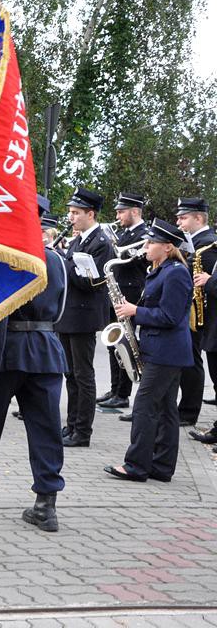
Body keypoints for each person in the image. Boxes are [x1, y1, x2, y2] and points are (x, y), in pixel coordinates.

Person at [0, 195, 68, 531]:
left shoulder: (3, 257)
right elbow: (60, 309)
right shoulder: (56, 259)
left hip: (8, 352)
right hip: (47, 349)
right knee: (47, 428)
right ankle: (46, 503)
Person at [105, 219, 192, 481]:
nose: (146, 246)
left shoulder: (175, 272)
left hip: (166, 352)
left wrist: (136, 311)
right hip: (163, 349)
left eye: (151, 242)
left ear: (167, 247)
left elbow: (171, 316)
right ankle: (162, 467)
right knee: (165, 409)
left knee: (144, 406)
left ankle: (136, 466)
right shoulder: (161, 269)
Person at [55, 187, 114, 447]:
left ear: (90, 214)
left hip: (83, 317)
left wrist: (61, 262)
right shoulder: (79, 241)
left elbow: (92, 282)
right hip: (69, 315)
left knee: (83, 375)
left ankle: (83, 431)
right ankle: (71, 425)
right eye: (70, 212)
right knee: (70, 374)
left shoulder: (101, 243)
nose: (71, 218)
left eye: (76, 213)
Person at [97, 193, 149, 412]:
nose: (117, 215)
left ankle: (123, 393)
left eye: (121, 211)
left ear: (134, 211)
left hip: (130, 293)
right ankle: (115, 387)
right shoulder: (125, 232)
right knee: (114, 344)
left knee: (126, 342)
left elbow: (138, 264)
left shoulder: (144, 234)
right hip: (116, 292)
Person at [172, 197, 216, 427]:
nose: (179, 222)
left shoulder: (208, 244)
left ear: (199, 218)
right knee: (188, 360)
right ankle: (185, 409)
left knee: (192, 362)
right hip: (191, 310)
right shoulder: (192, 242)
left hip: (202, 314)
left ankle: (189, 412)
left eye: (183, 217)